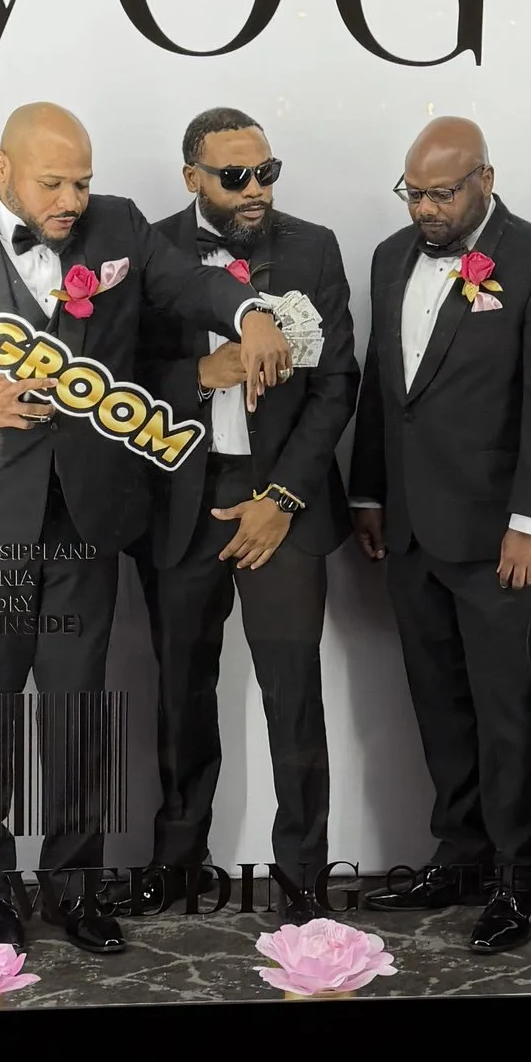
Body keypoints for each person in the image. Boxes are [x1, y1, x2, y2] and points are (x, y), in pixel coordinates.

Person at [0, 101, 299, 954]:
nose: (71, 197)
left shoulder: (119, 227)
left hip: (85, 515)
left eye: (82, 180)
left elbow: (190, 282)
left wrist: (247, 311)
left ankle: (72, 883)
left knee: (76, 710)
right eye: (53, 181)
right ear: (2, 167)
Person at [351, 115, 531, 955]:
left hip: (495, 532)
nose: (426, 207)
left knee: (505, 710)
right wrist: (368, 492)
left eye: (442, 191)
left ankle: (523, 876)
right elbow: (387, 384)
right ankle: (462, 852)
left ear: (485, 177)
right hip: (409, 524)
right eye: (413, 191)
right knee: (438, 700)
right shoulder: (386, 256)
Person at [132, 107, 357, 921]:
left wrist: (284, 499)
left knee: (293, 694)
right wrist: (201, 369)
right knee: (180, 694)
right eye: (235, 176)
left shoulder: (314, 246)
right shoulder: (151, 248)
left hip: (282, 503)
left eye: (266, 171)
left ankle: (304, 879)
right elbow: (122, 373)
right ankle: (178, 861)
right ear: (191, 175)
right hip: (181, 504)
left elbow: (337, 385)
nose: (255, 188)